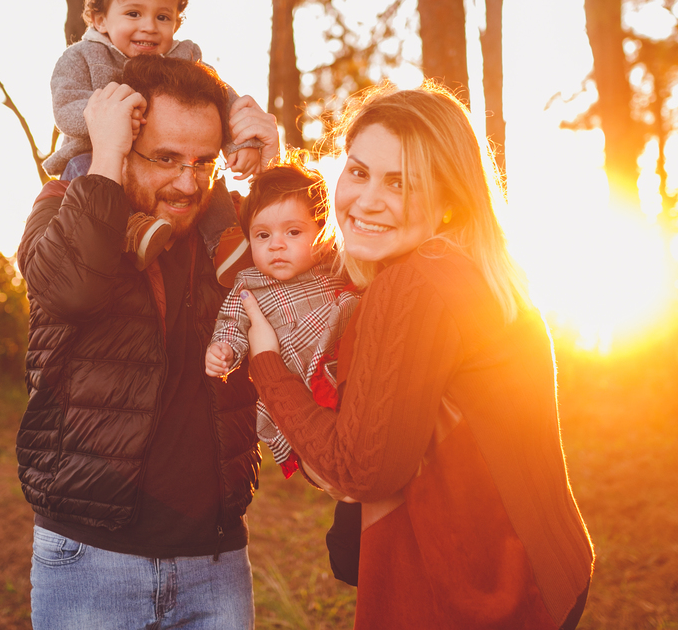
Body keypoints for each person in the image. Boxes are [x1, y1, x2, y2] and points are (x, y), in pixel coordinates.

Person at [242, 84, 595, 629]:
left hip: (475, 595)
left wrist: (266, 363)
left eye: (401, 182)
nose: (365, 200)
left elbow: (357, 472)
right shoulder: (472, 268)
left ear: (450, 198)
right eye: (358, 171)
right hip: (544, 567)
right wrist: (271, 171)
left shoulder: (413, 285)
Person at [16, 54, 278, 630]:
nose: (188, 183)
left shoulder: (227, 234)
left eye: (203, 162)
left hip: (215, 560)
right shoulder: (62, 208)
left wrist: (269, 176)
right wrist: (104, 157)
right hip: (91, 559)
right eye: (165, 159)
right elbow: (73, 290)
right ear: (124, 139)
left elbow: (306, 302)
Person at [44, 0, 260, 284]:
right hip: (93, 151)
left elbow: (223, 100)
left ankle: (224, 242)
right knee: (83, 169)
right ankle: (131, 231)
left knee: (202, 174)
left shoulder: (184, 58)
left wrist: (240, 142)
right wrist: (107, 120)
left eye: (163, 16)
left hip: (166, 170)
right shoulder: (82, 58)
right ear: (100, 19)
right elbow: (66, 106)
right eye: (134, 13)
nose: (149, 26)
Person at [204, 158, 360, 474]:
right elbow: (232, 322)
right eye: (262, 235)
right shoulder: (249, 282)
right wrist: (223, 349)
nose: (276, 245)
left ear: (324, 232)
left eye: (292, 232)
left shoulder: (337, 267)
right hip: (295, 388)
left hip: (343, 377)